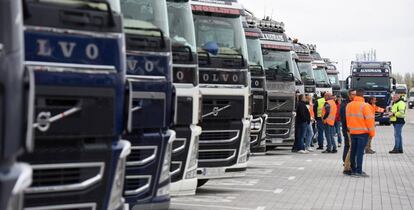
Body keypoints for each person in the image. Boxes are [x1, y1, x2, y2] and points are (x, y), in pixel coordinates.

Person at [346, 89, 375, 177]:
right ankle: (359, 171)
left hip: (352, 131)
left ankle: (353, 170)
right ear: (363, 95)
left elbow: (348, 119)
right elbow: (370, 120)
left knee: (353, 151)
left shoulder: (349, 105)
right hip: (362, 132)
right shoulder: (365, 106)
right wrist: (372, 133)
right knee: (360, 152)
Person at [341, 89, 356, 174]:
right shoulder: (345, 104)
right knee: (348, 146)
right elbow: (344, 119)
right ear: (349, 95)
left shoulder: (351, 103)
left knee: (348, 146)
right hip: (348, 129)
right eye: (353, 94)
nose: (355, 96)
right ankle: (346, 163)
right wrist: (348, 128)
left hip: (351, 128)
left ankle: (347, 163)